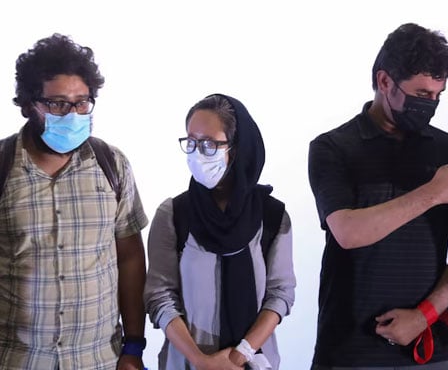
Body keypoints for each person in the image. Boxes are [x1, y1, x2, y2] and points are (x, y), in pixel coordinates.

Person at [308, 23, 448, 370]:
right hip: (349, 351)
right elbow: (347, 232)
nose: (430, 104)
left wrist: (424, 315)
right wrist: (434, 193)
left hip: (433, 348)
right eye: (421, 93)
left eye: (437, 95)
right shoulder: (333, 147)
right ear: (384, 81)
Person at [0, 34, 149, 369]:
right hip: (18, 358)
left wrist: (134, 347)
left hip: (99, 358)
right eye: (57, 104)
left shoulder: (112, 164)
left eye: (82, 102)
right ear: (29, 105)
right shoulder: (2, 165)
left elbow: (130, 259)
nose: (72, 114)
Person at [144, 94, 295, 370]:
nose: (197, 152)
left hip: (254, 362)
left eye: (209, 144)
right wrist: (201, 361)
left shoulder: (271, 216)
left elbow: (280, 294)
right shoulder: (174, 214)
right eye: (191, 142)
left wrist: (236, 358)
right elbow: (160, 297)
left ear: (236, 149)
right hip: (186, 364)